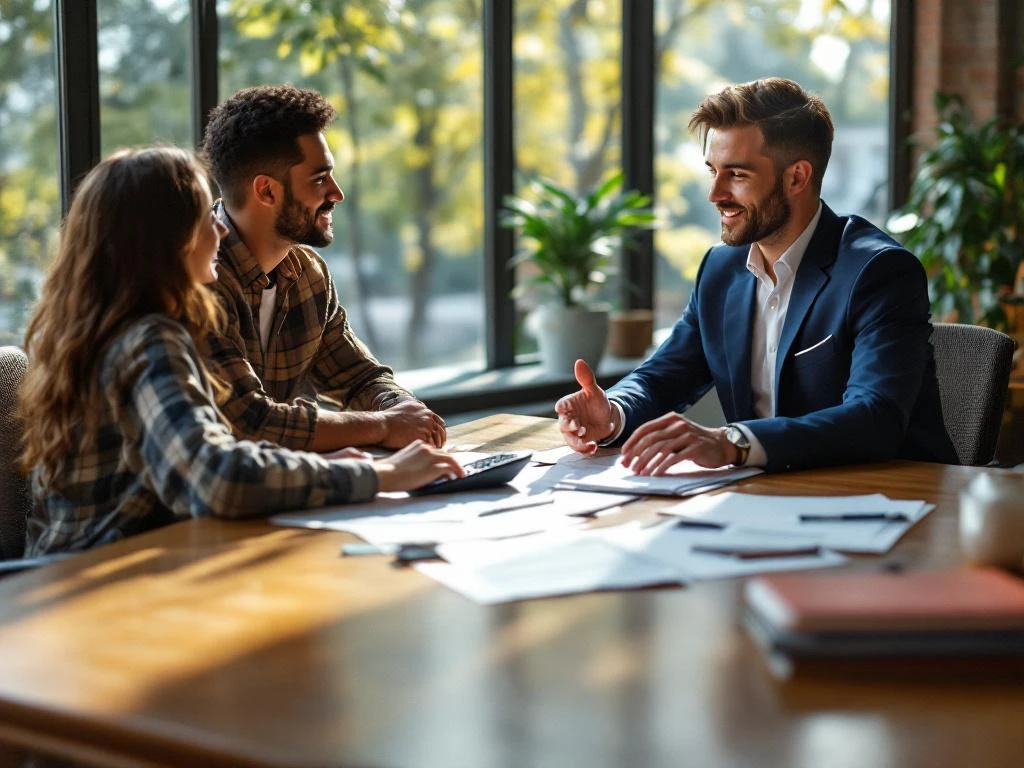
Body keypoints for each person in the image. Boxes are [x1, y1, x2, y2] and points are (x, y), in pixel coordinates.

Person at [18, 147, 464, 556]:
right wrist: (382, 475)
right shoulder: (149, 340)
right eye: (203, 216)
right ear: (168, 241)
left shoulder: (113, 330)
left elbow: (209, 454)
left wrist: (324, 463)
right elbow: (218, 476)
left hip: (104, 570)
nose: (219, 224)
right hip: (98, 586)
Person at [555, 77, 956, 474]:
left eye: (737, 175)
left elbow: (874, 418)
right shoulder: (720, 269)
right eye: (712, 170)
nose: (715, 194)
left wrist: (733, 442)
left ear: (797, 177)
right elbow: (663, 377)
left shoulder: (878, 272)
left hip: (891, 500)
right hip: (766, 497)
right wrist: (613, 411)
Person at [199, 84, 446, 453]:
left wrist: (403, 410)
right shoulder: (199, 279)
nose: (337, 193)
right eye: (319, 178)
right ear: (266, 192)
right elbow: (248, 423)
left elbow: (358, 378)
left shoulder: (308, 273)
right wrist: (384, 425)